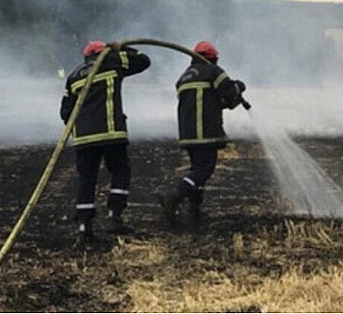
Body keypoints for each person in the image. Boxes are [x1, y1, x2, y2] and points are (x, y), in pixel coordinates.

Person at [60, 41, 151, 241]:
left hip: (83, 139)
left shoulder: (74, 76)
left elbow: (65, 112)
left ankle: (84, 226)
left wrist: (80, 126)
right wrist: (122, 49)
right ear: (105, 53)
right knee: (120, 171)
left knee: (86, 180)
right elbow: (144, 61)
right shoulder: (112, 62)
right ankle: (114, 216)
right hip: (111, 134)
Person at [159, 41, 246, 223]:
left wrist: (229, 102)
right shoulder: (214, 71)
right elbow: (229, 92)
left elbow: (210, 101)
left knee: (197, 170)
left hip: (188, 134)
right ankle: (174, 196)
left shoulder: (184, 77)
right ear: (213, 58)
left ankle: (194, 210)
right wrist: (239, 86)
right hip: (205, 132)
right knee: (204, 170)